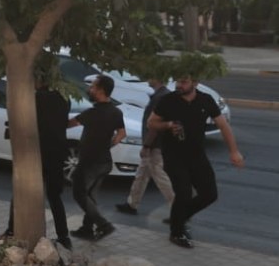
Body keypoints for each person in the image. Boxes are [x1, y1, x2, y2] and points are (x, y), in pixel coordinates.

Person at [148, 73, 245, 249]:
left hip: (197, 155)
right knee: (184, 193)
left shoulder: (205, 100)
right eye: (178, 81)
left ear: (195, 83)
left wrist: (234, 151)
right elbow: (152, 123)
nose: (179, 85)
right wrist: (168, 125)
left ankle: (179, 217)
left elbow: (223, 125)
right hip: (173, 155)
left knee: (210, 194)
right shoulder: (168, 100)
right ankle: (176, 232)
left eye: (184, 82)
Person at [4, 71, 73, 259]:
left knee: (21, 191)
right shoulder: (65, 99)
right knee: (54, 195)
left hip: (35, 152)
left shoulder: (35, 99)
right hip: (57, 152)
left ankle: (11, 229)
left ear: (40, 81)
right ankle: (63, 235)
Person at [68, 74, 126, 240]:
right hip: (105, 162)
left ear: (100, 91)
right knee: (90, 196)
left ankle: (103, 225)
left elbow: (69, 124)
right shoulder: (116, 112)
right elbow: (122, 134)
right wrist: (108, 145)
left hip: (89, 162)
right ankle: (87, 229)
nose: (89, 89)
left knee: (79, 194)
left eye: (92, 87)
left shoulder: (91, 113)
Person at [116, 77, 176, 216]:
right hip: (157, 143)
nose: (148, 79)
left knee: (160, 177)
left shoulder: (159, 98)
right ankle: (132, 203)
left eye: (151, 76)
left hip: (155, 145)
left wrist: (147, 145)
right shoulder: (162, 95)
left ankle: (178, 208)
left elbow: (153, 125)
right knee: (142, 175)